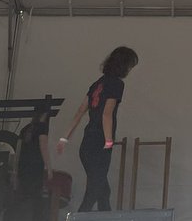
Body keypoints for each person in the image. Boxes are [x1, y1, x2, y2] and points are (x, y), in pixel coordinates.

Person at [56, 47, 139, 213]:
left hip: (87, 144)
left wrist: (64, 138)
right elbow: (107, 114)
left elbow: (80, 111)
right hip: (99, 144)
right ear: (124, 66)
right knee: (95, 190)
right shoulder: (116, 84)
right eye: (130, 66)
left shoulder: (97, 84)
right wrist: (109, 141)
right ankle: (78, 218)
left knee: (101, 190)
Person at [15, 107, 52, 221]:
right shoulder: (42, 127)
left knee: (25, 196)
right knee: (36, 197)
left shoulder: (25, 129)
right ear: (44, 115)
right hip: (35, 166)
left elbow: (18, 150)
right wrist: (49, 168)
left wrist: (16, 170)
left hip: (23, 166)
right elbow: (43, 147)